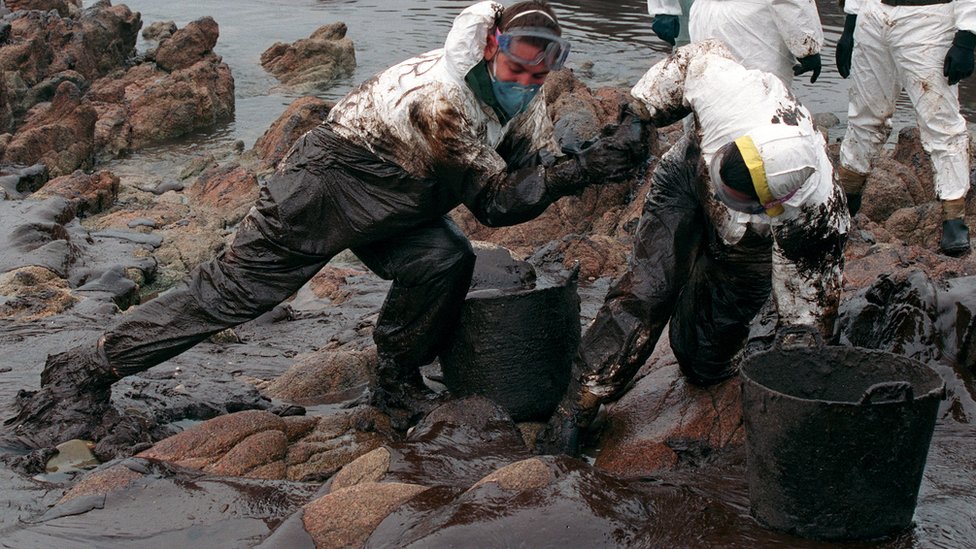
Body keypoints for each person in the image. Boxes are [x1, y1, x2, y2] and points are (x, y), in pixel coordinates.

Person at [5, 1, 650, 447]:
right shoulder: (440, 98)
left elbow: (524, 175)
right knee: (235, 294)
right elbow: (498, 204)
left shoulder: (524, 104)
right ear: (489, 47)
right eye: (517, 70)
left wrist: (581, 155)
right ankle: (92, 364)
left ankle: (395, 383)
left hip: (404, 199)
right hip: (328, 182)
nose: (529, 84)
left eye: (541, 74)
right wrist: (587, 172)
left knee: (443, 261)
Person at [536, 40, 850, 456]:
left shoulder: (815, 219)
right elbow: (693, 59)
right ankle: (578, 403)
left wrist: (793, 368)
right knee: (647, 291)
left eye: (733, 196)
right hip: (686, 179)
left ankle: (710, 348)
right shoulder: (732, 94)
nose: (723, 198)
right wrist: (640, 113)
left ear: (775, 203)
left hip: (749, 242)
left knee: (702, 359)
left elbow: (806, 318)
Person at [835, 0, 975, 256]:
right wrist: (851, 22)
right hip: (873, 15)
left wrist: (967, 35)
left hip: (928, 17)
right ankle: (846, 198)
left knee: (940, 121)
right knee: (864, 114)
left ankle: (953, 217)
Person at [649, 0, 824, 87]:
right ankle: (752, 155)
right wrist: (807, 48)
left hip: (704, 14)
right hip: (749, 22)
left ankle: (712, 154)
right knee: (761, 95)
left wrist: (663, 8)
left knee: (710, 90)